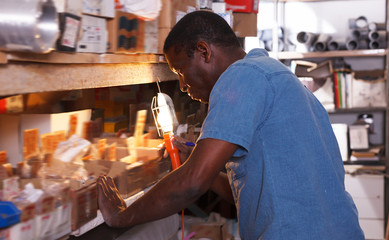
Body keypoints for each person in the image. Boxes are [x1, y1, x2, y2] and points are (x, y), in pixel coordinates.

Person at [97, 10, 364, 239]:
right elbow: (255, 196)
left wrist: (122, 215)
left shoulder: (240, 77)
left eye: (180, 71)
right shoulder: (275, 74)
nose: (182, 84)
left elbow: (192, 183)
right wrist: (201, 162)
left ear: (203, 52)